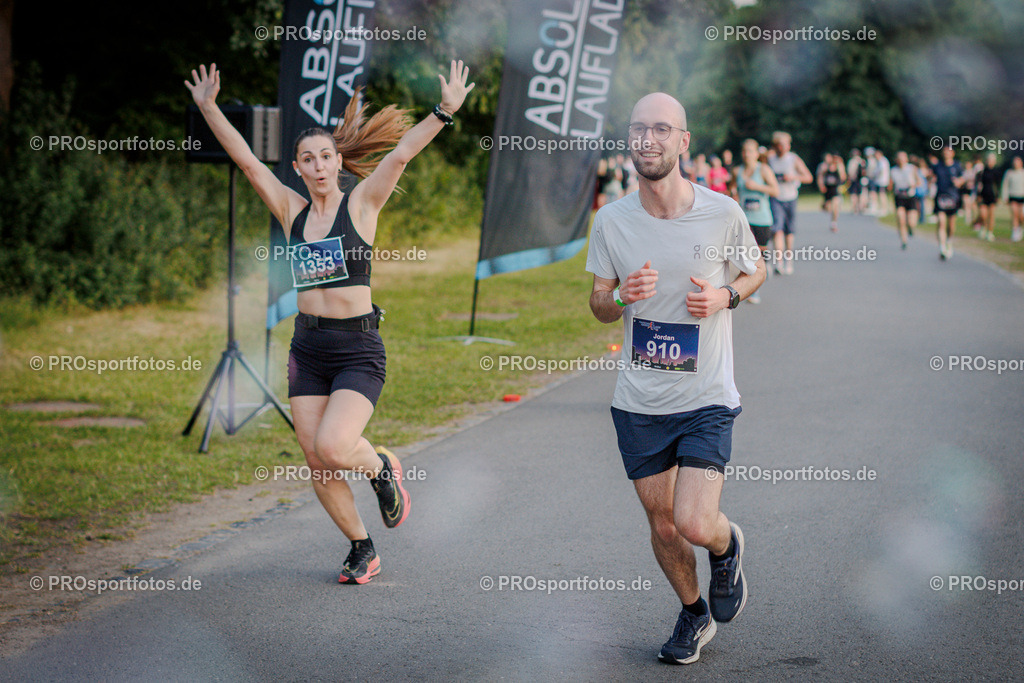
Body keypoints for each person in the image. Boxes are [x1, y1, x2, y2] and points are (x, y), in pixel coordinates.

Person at [185, 61, 475, 583]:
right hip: (308, 351)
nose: (318, 167)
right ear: (296, 168)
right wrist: (208, 108)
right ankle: (362, 546)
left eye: (325, 157)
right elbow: (249, 163)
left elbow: (403, 153)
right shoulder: (292, 212)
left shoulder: (361, 205)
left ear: (338, 162)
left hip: (358, 350)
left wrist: (444, 112)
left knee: (335, 448)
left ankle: (381, 468)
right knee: (317, 462)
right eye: (307, 160)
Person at [586, 92, 766, 665]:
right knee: (664, 528)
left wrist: (725, 295)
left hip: (706, 395)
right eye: (639, 128)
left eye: (662, 128)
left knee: (692, 520)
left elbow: (755, 268)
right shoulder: (611, 220)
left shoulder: (722, 212)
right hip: (639, 400)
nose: (648, 138)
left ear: (683, 141)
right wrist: (619, 296)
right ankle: (693, 613)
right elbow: (597, 303)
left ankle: (726, 541)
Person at [736, 138, 779, 303]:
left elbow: (775, 191)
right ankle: (751, 289)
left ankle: (758, 282)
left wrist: (757, 187)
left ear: (756, 153)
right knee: (746, 254)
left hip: (761, 219)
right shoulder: (737, 171)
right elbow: (734, 190)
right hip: (744, 219)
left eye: (750, 151)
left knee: (759, 254)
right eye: (744, 151)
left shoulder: (764, 170)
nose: (747, 154)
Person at [767, 131, 814, 274]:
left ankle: (788, 260)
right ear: (775, 146)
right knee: (777, 230)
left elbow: (808, 177)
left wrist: (793, 177)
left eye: (786, 145)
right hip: (776, 198)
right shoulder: (770, 159)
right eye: (780, 145)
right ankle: (779, 262)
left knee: (789, 232)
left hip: (791, 197)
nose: (783, 147)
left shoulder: (793, 159)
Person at [929, 146, 965, 260]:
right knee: (941, 222)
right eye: (944, 151)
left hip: (953, 197)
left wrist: (959, 182)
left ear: (952, 153)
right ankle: (942, 247)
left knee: (951, 225)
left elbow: (963, 178)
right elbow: (930, 176)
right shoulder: (937, 166)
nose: (946, 153)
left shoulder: (957, 166)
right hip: (940, 196)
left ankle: (949, 241)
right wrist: (930, 178)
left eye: (948, 151)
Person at [890, 151, 921, 250]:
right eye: (899, 158)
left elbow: (919, 181)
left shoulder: (912, 168)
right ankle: (904, 240)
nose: (901, 160)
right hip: (899, 196)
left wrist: (913, 185)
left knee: (911, 221)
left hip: (910, 196)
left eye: (903, 158)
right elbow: (890, 184)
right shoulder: (893, 170)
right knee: (900, 218)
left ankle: (911, 229)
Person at [816, 153, 846, 233]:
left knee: (835, 205)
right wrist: (821, 186)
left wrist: (840, 165)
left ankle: (834, 223)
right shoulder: (825, 167)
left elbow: (843, 177)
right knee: (827, 208)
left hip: (835, 189)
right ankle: (824, 206)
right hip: (827, 190)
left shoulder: (838, 167)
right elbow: (820, 177)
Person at [975, 153, 1000, 242]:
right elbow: (978, 185)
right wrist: (978, 195)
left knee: (991, 215)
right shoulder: (981, 172)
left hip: (992, 196)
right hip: (983, 195)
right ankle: (983, 227)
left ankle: (990, 232)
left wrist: (998, 196)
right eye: (988, 160)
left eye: (992, 160)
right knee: (983, 215)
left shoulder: (996, 172)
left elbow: (998, 185)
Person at [1002, 155, 1024, 242]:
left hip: (1021, 196)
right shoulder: (1009, 173)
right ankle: (1015, 232)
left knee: (1021, 216)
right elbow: (1005, 185)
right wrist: (1005, 196)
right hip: (1013, 196)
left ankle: (1020, 228)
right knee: (1014, 214)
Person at [846, 149, 867, 214]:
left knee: (853, 194)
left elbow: (849, 172)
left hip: (854, 180)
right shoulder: (862, 161)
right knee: (861, 193)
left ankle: (854, 208)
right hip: (861, 180)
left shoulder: (851, 161)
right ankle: (860, 207)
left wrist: (849, 179)